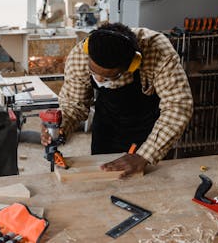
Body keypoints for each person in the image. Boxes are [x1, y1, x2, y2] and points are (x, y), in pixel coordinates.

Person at [41, 23, 193, 177]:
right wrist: (60, 128)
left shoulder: (158, 51)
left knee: (149, 182)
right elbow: (74, 105)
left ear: (132, 65)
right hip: (108, 125)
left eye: (108, 77)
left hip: (151, 128)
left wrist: (145, 156)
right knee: (103, 177)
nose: (99, 79)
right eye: (94, 72)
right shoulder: (80, 56)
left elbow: (178, 106)